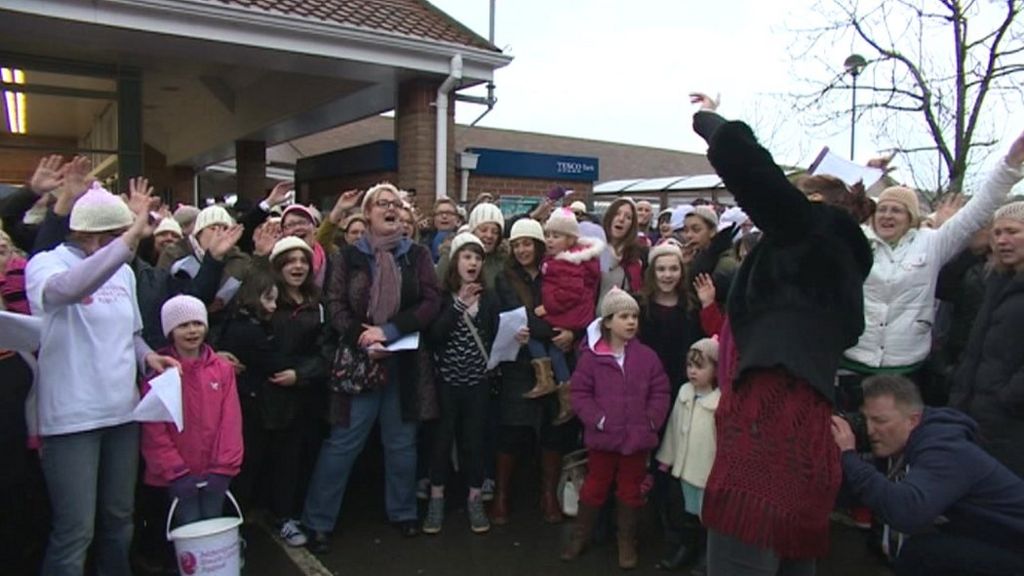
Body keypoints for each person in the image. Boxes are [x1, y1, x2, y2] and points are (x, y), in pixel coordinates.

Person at [688, 93, 873, 574]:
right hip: (806, 423)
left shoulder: (812, 233)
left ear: (814, 205)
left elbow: (751, 169)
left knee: (744, 543)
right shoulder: (837, 266)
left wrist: (713, 122)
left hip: (772, 422)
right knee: (791, 555)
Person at [26, 182, 178, 576]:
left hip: (123, 415)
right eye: (114, 235)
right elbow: (66, 290)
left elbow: (130, 333)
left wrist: (149, 358)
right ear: (89, 234)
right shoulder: (47, 263)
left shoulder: (122, 274)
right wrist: (126, 239)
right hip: (71, 419)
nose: (125, 245)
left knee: (119, 521)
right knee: (75, 531)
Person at [300, 182, 440, 554]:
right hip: (358, 362)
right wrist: (365, 339)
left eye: (396, 203)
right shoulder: (347, 257)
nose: (391, 208)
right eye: (382, 203)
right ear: (367, 214)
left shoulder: (419, 255)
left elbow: (430, 302)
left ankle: (403, 511)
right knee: (343, 444)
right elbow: (335, 304)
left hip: (404, 363)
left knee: (401, 444)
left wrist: (390, 332)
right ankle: (318, 520)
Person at [841, 134, 1023, 403]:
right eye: (883, 209)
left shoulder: (933, 243)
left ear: (911, 218)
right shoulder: (854, 242)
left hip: (907, 370)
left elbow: (979, 209)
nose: (888, 215)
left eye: (897, 211)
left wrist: (1008, 166)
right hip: (852, 367)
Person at [831, 375, 1024, 576]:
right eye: (865, 420)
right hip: (992, 536)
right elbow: (861, 490)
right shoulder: (905, 443)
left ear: (913, 420)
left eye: (880, 421)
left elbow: (906, 512)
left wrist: (849, 457)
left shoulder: (946, 451)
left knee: (922, 554)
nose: (870, 431)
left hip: (1015, 546)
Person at [561, 287, 670, 569]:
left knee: (630, 490)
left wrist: (650, 420)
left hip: (636, 438)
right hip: (603, 438)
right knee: (595, 486)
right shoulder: (591, 358)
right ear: (608, 321)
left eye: (634, 316)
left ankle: (626, 541)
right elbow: (580, 394)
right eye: (624, 316)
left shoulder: (647, 357)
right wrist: (598, 419)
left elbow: (660, 391)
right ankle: (580, 535)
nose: (631, 321)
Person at [492, 218, 577, 526]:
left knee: (555, 429)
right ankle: (502, 494)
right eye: (516, 244)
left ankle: (548, 495)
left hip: (556, 361)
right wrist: (557, 332)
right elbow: (520, 315)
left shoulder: (555, 270)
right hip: (519, 361)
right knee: (512, 429)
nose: (522, 249)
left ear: (539, 244)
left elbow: (573, 304)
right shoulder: (505, 278)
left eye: (527, 243)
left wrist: (572, 332)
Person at [422, 233, 500, 535]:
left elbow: (494, 334)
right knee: (441, 443)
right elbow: (435, 336)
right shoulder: (443, 296)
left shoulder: (489, 297)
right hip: (447, 384)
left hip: (478, 383)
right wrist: (459, 306)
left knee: (474, 443)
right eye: (467, 257)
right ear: (456, 261)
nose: (473, 262)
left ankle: (474, 499)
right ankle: (437, 499)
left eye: (478, 258)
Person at [141, 296, 243, 525]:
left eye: (197, 324)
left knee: (214, 525)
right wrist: (174, 469)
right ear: (170, 331)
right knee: (188, 526)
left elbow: (231, 421)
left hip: (216, 470)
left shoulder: (222, 370)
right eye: (183, 325)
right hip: (179, 473)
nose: (192, 331)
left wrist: (225, 466)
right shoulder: (160, 374)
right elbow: (154, 428)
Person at [949, 200, 1024, 478]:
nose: (1002, 240)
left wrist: (1006, 398)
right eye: (997, 233)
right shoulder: (994, 282)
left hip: (1010, 419)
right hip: (976, 412)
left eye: (1012, 232)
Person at [656, 338, 721, 574]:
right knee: (687, 513)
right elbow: (674, 428)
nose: (692, 371)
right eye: (690, 365)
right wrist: (667, 458)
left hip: (706, 472)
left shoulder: (720, 402)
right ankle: (687, 548)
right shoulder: (684, 392)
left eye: (700, 366)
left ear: (716, 369)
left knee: (708, 517)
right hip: (684, 469)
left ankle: (708, 556)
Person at [534, 207, 604, 423]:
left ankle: (561, 389)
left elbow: (570, 293)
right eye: (547, 235)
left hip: (567, 315)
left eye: (556, 236)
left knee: (544, 343)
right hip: (571, 315)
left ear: (571, 239)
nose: (550, 240)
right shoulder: (562, 259)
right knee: (549, 346)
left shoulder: (568, 262)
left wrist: (548, 308)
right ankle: (556, 384)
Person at [598, 197, 646, 303]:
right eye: (617, 214)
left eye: (628, 217)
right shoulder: (595, 250)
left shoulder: (637, 256)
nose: (621, 219)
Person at [421, 197, 461, 263]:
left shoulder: (463, 238)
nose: (444, 216)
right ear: (434, 218)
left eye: (449, 213)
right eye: (440, 213)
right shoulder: (423, 241)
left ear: (457, 218)